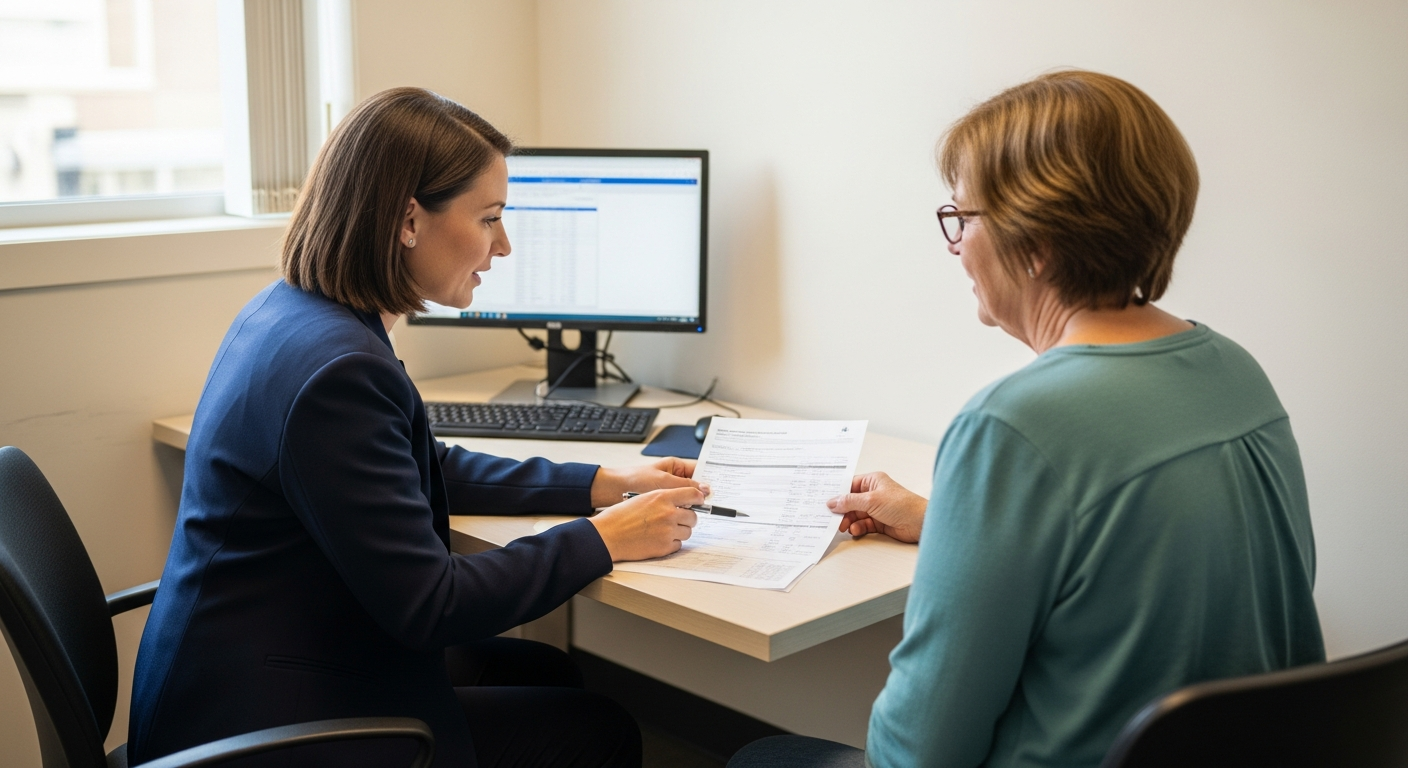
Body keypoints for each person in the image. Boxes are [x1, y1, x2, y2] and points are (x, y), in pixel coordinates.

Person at [729, 70, 1324, 768]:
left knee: (761, 758)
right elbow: (1141, 560)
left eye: (963, 220)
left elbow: (922, 751)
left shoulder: (1013, 424)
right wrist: (945, 521)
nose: (957, 248)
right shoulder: (1232, 370)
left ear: (1035, 241)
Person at [128, 87, 705, 768]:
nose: (505, 245)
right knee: (600, 728)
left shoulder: (293, 312)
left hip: (252, 663)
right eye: (489, 217)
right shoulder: (338, 369)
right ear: (408, 219)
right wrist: (603, 540)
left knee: (547, 674)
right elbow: (432, 605)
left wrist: (603, 483)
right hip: (258, 728)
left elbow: (414, 463)